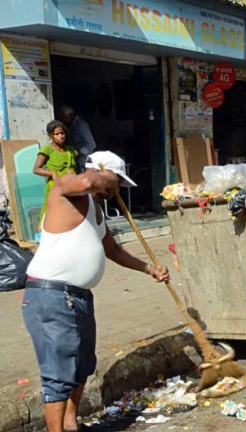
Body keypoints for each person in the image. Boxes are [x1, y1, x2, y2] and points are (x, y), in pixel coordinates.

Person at [23, 151, 170, 432]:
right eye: (114, 184)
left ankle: (70, 425)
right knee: (59, 376)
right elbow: (84, 182)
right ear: (100, 174)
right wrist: (105, 176)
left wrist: (147, 268)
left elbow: (112, 249)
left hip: (78, 298)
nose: (114, 192)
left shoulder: (97, 212)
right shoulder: (67, 189)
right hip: (51, 296)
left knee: (81, 367)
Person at [33, 120, 79, 229]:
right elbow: (36, 169)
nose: (60, 136)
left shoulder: (70, 150)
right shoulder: (47, 149)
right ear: (51, 135)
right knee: (53, 211)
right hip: (56, 186)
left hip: (72, 186)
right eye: (57, 134)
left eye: (62, 133)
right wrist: (52, 173)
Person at [58, 105, 96, 172]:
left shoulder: (81, 125)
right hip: (76, 162)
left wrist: (79, 153)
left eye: (64, 118)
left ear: (69, 115)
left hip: (84, 162)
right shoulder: (70, 126)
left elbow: (91, 144)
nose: (63, 120)